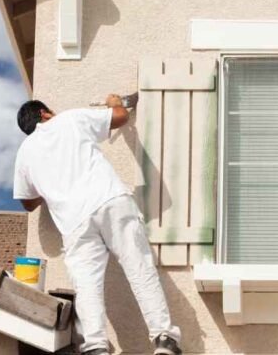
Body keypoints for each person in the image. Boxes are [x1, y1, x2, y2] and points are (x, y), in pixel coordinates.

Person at [13, 95, 182, 355]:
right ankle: (163, 339)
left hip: (74, 221)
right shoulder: (69, 119)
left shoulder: (25, 153)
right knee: (138, 265)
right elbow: (120, 116)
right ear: (45, 114)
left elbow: (27, 202)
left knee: (87, 285)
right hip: (109, 199)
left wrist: (49, 186)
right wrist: (114, 102)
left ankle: (95, 348)